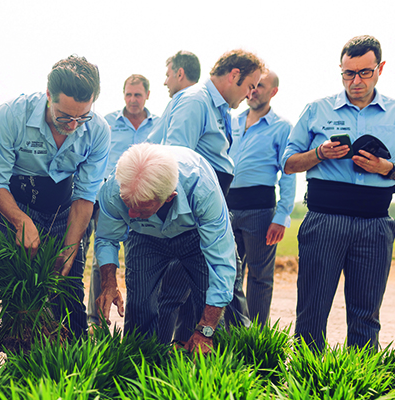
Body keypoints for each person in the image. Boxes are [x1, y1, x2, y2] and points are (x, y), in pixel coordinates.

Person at [283, 35, 395, 351]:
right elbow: (289, 163)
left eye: (365, 72)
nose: (356, 80)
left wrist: (387, 169)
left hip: (375, 224)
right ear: (340, 70)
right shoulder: (315, 110)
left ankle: (359, 386)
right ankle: (307, 384)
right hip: (324, 221)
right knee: (311, 313)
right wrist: (319, 153)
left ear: (381, 68)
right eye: (349, 73)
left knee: (366, 316)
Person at [0, 55, 110, 339]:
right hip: (16, 202)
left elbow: (86, 195)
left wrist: (70, 245)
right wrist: (20, 221)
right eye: (65, 116)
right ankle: (20, 360)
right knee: (20, 289)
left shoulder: (99, 131)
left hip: (66, 208)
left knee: (68, 286)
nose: (74, 124)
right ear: (49, 95)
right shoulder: (10, 116)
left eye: (82, 116)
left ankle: (75, 359)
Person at [154, 49, 265, 344]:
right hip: (192, 217)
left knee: (199, 292)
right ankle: (159, 358)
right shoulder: (195, 101)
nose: (251, 94)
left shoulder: (218, 108)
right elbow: (175, 161)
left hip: (207, 209)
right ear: (233, 75)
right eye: (250, 86)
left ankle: (188, 355)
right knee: (183, 291)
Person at [94, 143, 236, 355]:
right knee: (140, 305)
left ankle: (212, 371)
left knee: (207, 296)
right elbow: (107, 238)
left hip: (193, 232)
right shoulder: (115, 189)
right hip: (143, 234)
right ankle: (141, 370)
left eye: (141, 207)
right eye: (127, 205)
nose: (130, 214)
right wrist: (109, 282)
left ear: (169, 197)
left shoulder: (202, 188)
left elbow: (221, 264)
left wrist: (206, 330)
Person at [85, 74, 159, 326]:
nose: (132, 100)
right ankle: (96, 322)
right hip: (110, 201)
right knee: (103, 258)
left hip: (144, 204)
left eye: (137, 94)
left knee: (140, 260)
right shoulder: (107, 123)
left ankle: (137, 325)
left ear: (147, 95)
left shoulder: (158, 126)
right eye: (128, 94)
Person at [228, 71, 295, 326]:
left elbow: (288, 173)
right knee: (227, 272)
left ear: (273, 91)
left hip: (261, 211)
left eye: (261, 86)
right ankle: (231, 332)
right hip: (226, 207)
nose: (253, 90)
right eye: (252, 85)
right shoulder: (230, 121)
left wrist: (281, 216)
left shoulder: (282, 127)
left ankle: (255, 336)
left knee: (259, 277)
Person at [146, 50, 200, 144]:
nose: (165, 82)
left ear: (180, 74)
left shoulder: (180, 102)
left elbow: (152, 144)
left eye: (168, 75)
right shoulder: (208, 102)